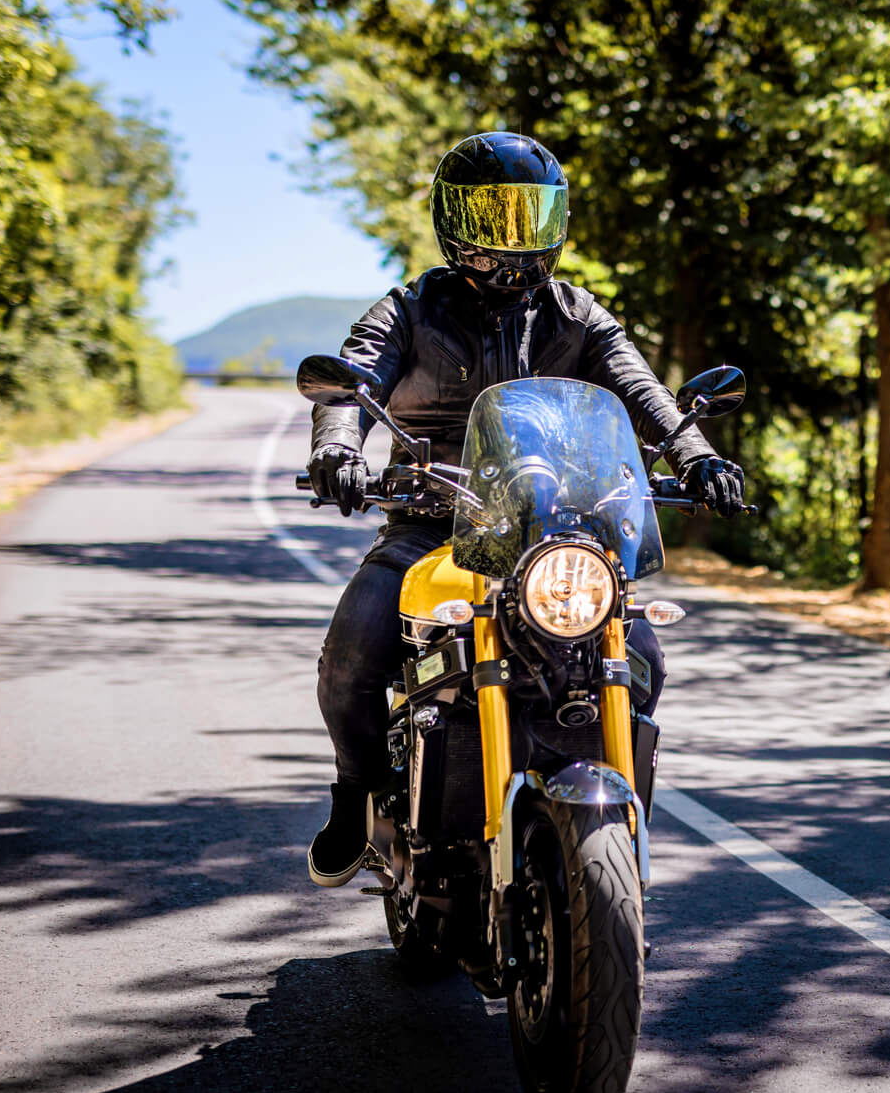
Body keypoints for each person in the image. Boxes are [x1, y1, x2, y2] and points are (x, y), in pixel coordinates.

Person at [303, 131, 747, 886]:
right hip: (436, 529)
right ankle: (356, 798)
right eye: (493, 217)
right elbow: (353, 379)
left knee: (643, 658)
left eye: (529, 216)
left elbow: (642, 392)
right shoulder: (412, 308)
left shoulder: (578, 314)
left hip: (557, 535)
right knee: (351, 658)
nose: (513, 239)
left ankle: (611, 832)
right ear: (452, 220)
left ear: (558, 220)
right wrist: (338, 446)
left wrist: (695, 453)